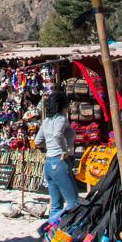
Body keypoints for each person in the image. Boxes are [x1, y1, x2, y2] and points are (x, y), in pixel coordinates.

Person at [34, 91, 78, 219]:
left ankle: (50, 231)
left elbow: (38, 141)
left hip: (48, 163)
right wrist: (63, 149)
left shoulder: (46, 121)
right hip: (60, 163)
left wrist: (50, 146)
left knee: (56, 205)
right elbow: (57, 134)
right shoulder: (61, 119)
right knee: (72, 202)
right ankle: (51, 228)